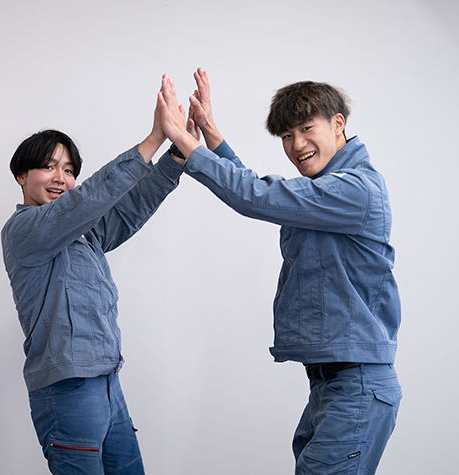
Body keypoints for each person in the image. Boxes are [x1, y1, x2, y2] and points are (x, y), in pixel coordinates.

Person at [157, 69, 402, 474]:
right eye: (287, 135)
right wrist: (211, 134)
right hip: (331, 385)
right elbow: (261, 190)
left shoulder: (355, 189)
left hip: (356, 387)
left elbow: (258, 197)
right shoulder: (325, 192)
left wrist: (184, 142)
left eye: (306, 129)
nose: (296, 144)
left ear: (338, 124)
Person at [1, 88, 185, 474]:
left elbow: (129, 207)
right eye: (49, 167)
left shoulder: (83, 233)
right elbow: (86, 201)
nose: (61, 178)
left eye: (69, 171)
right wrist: (153, 138)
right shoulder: (23, 230)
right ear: (21, 175)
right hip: (68, 391)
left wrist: (178, 153)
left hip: (108, 383)